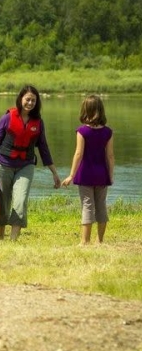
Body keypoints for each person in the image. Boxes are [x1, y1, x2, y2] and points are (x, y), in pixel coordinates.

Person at [0, 85, 61, 241]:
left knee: (20, 201)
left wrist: (54, 173)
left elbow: (44, 148)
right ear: (20, 99)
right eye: (27, 99)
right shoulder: (6, 118)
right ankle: (0, 238)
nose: (30, 103)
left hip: (26, 165)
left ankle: (13, 240)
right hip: (3, 164)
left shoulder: (38, 122)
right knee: (3, 202)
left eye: (33, 100)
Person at [61, 95, 114, 245]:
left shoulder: (82, 131)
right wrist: (110, 176)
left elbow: (78, 154)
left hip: (85, 174)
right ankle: (100, 241)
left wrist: (71, 175)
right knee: (101, 205)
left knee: (87, 205)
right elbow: (110, 156)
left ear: (85, 110)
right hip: (102, 174)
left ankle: (84, 242)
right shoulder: (108, 132)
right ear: (101, 110)